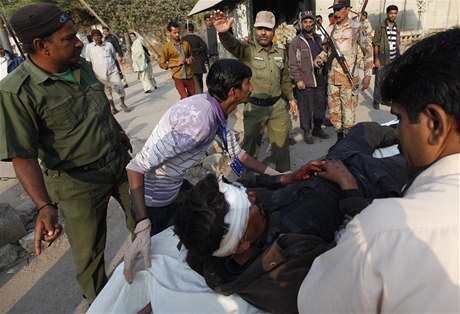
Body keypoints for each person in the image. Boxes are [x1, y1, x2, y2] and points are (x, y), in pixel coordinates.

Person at [298, 28, 460, 313]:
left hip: (359, 178)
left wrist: (350, 191)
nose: (398, 132)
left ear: (434, 124)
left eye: (398, 119)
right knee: (362, 131)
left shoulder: (382, 231)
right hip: (346, 161)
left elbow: (314, 304)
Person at [174, 121, 409, 313]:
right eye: (250, 204)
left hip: (328, 167)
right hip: (366, 182)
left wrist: (286, 179)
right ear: (243, 242)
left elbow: (243, 185)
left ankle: (400, 129)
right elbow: (358, 252)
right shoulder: (286, 266)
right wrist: (348, 187)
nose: (254, 196)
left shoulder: (216, 232)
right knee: (415, 158)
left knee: (364, 129)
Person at [0, 3, 136, 303]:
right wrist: (43, 205)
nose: (79, 42)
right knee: (90, 256)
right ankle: (104, 305)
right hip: (77, 184)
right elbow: (22, 155)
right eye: (68, 38)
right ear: (41, 46)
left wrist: (119, 132)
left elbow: (96, 107)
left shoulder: (81, 65)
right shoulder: (17, 91)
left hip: (119, 163)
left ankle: (153, 283)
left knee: (147, 220)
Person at [123, 59, 287, 285]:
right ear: (233, 91)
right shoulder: (197, 121)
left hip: (175, 188)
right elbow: (135, 167)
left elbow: (238, 154)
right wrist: (143, 223)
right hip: (154, 203)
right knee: (164, 264)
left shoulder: (215, 110)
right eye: (248, 83)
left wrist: (276, 175)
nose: (252, 88)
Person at [214, 10, 297, 172]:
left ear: (273, 30)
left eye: (267, 29)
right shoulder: (248, 50)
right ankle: (247, 181)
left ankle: (284, 180)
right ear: (254, 30)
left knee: (282, 148)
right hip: (254, 108)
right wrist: (224, 34)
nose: (263, 33)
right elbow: (233, 45)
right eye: (259, 28)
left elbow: (285, 77)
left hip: (278, 107)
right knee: (250, 147)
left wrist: (291, 98)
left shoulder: (280, 51)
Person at [314, 0, 373, 141]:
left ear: (348, 9)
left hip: (349, 78)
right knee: (335, 114)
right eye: (335, 9)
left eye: (339, 9)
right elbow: (325, 52)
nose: (336, 13)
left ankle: (348, 143)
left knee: (348, 115)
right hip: (332, 79)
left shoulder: (357, 28)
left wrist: (368, 75)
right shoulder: (330, 29)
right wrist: (319, 59)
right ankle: (340, 139)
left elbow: (368, 51)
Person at [289, 11, 329, 144]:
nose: (308, 24)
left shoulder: (318, 38)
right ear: (301, 23)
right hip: (305, 80)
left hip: (320, 78)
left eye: (310, 21)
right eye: (305, 22)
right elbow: (293, 63)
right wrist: (298, 79)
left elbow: (325, 54)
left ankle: (317, 128)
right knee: (306, 107)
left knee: (320, 105)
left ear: (314, 23)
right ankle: (307, 131)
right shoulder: (297, 41)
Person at [86, 29, 130, 114]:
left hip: (113, 71)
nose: (97, 37)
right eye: (94, 36)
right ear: (92, 38)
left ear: (101, 36)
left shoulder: (108, 45)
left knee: (120, 87)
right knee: (107, 92)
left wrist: (120, 71)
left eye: (98, 35)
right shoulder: (89, 47)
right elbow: (88, 61)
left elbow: (114, 58)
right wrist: (91, 74)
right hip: (99, 74)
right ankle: (113, 107)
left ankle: (123, 104)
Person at [372, 5, 400, 109]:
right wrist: (376, 58)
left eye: (394, 13)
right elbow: (376, 43)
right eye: (391, 13)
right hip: (383, 58)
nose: (393, 15)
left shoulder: (397, 27)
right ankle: (376, 100)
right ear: (387, 14)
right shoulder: (381, 27)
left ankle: (385, 99)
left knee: (389, 80)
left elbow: (397, 44)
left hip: (393, 59)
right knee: (379, 81)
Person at [159, 21, 195, 99]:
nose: (177, 35)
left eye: (178, 32)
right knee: (184, 98)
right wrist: (176, 64)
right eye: (174, 33)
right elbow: (162, 64)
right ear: (169, 33)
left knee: (193, 98)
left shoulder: (185, 44)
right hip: (178, 76)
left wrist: (190, 59)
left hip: (189, 75)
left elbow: (191, 56)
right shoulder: (166, 48)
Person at [182, 23, 207, 94]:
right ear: (193, 29)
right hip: (199, 63)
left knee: (191, 82)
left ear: (186, 30)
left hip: (188, 64)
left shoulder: (183, 40)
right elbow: (204, 49)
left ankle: (195, 95)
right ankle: (200, 93)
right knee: (199, 80)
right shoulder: (198, 38)